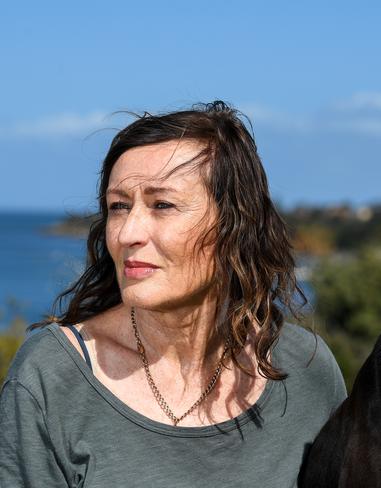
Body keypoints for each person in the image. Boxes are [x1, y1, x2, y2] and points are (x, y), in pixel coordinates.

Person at [0, 101, 346, 487]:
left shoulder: (306, 369)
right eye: (118, 207)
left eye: (162, 204)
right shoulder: (53, 375)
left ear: (234, 226)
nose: (128, 232)